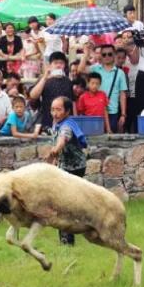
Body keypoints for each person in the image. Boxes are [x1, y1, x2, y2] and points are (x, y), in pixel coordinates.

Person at [44, 96, 87, 246]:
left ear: (67, 111)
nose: (55, 113)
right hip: (65, 166)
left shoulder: (67, 126)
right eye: (53, 109)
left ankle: (67, 241)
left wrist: (55, 150)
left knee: (63, 206)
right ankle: (67, 238)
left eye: (58, 109)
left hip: (74, 168)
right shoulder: (57, 123)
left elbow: (62, 139)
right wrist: (55, 161)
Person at [78, 44, 128, 132]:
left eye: (110, 54)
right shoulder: (95, 68)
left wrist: (123, 114)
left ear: (114, 55)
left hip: (112, 111)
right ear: (100, 56)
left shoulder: (120, 73)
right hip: (95, 111)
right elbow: (80, 70)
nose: (107, 56)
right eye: (104, 54)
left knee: (110, 139)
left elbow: (122, 94)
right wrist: (86, 54)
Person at [29, 51, 73, 131]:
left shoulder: (68, 81)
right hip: (47, 120)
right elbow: (33, 96)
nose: (58, 65)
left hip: (65, 121)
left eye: (61, 63)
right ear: (50, 65)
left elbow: (73, 101)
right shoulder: (44, 79)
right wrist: (45, 78)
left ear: (65, 65)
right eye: (55, 63)